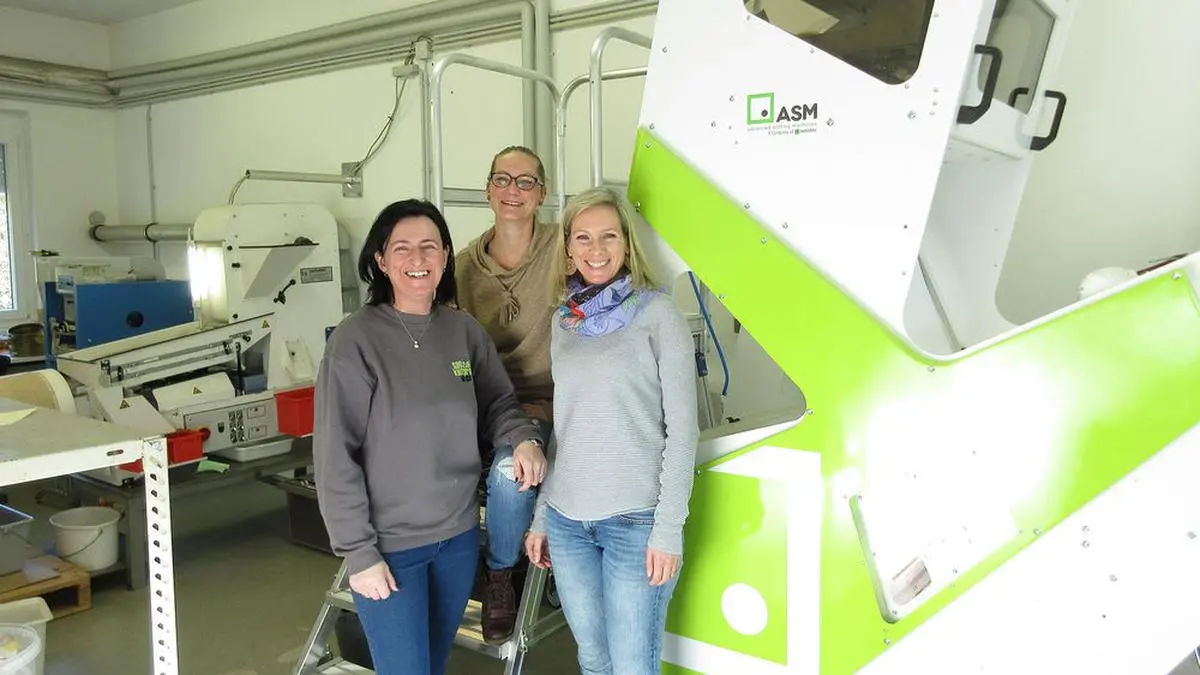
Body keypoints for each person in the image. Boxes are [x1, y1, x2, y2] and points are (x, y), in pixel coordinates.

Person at [314, 198, 548, 675]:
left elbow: (499, 403)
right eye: (402, 248)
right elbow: (335, 455)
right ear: (380, 260)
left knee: (433, 664)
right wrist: (359, 553)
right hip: (392, 546)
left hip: (457, 540)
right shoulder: (355, 340)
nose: (417, 260)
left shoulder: (462, 332)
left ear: (445, 255)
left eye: (429, 247)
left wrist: (523, 438)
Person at [524, 186, 699, 674]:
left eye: (607, 236)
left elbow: (684, 432)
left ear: (626, 244)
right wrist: (542, 515)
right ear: (567, 248)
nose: (595, 250)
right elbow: (566, 428)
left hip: (635, 525)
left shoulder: (659, 315)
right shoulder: (565, 322)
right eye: (582, 238)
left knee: (632, 668)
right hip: (567, 523)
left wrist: (668, 530)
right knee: (594, 660)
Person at [454, 145, 559, 641]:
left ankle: (500, 574)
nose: (512, 191)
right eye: (502, 179)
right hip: (480, 403)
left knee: (507, 472)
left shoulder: (566, 249)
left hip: (542, 403)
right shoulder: (460, 268)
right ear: (487, 190)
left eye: (525, 182)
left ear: (542, 194)